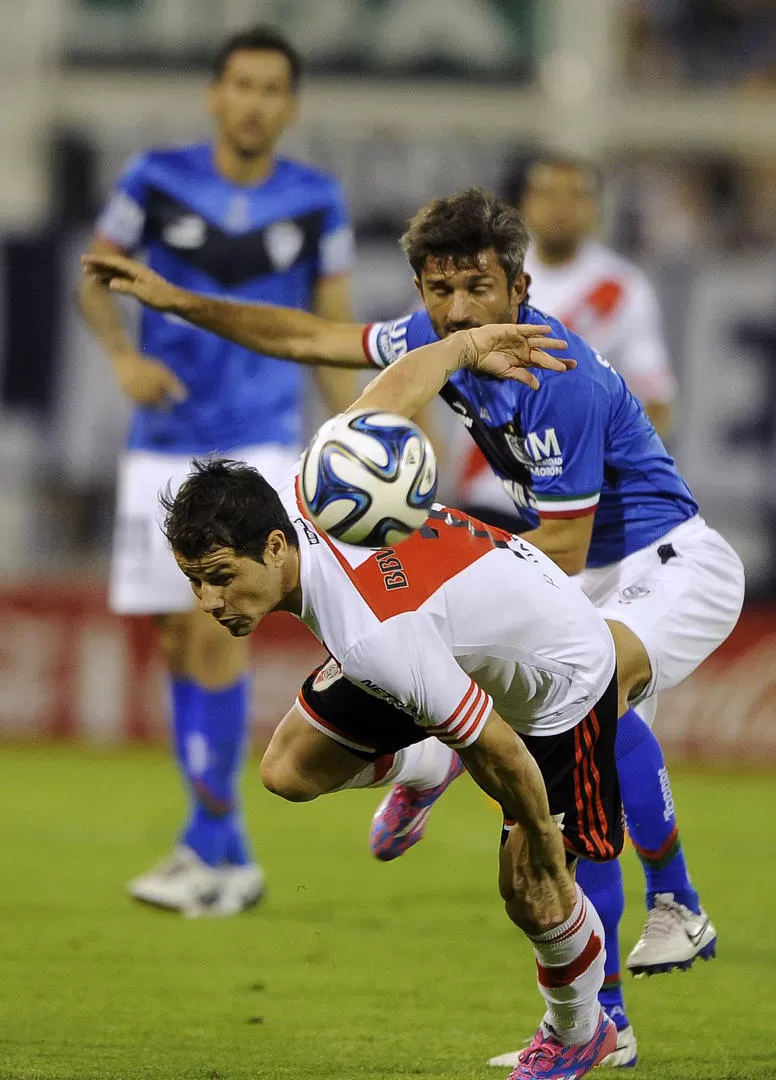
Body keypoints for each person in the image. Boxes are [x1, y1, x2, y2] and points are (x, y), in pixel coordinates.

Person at [82, 188, 745, 1068]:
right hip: (544, 576)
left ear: (520, 284)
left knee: (594, 697)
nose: (457, 308)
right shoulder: (445, 345)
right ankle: (434, 756)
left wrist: (415, 539)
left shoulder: (561, 380)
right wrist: (180, 303)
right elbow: (307, 339)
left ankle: (672, 908)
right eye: (440, 291)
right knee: (457, 699)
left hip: (664, 563)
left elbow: (563, 544)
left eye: (476, 288)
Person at [161, 311, 626, 1079]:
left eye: (220, 578)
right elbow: (393, 391)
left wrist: (541, 836)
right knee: (289, 771)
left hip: (556, 680)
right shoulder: (317, 481)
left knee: (530, 889)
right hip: (447, 637)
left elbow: (500, 748)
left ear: (275, 547)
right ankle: (424, 761)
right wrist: (467, 347)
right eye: (196, 582)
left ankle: (579, 1033)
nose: (210, 602)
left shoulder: (375, 637)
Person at [78, 25, 357, 916]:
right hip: (159, 440)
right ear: (214, 94)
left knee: (213, 630)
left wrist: (355, 422)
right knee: (171, 637)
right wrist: (120, 356)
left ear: (290, 105)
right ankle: (212, 844)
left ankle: (221, 847)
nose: (254, 102)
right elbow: (96, 277)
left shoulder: (318, 200)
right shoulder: (155, 180)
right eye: (241, 84)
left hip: (259, 443)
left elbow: (328, 327)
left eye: (272, 88)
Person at [458, 154, 678, 530]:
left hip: (576, 499)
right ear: (524, 203)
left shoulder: (621, 289)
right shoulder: (484, 278)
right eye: (547, 193)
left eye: (575, 195)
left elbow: (655, 400)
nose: (560, 207)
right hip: (487, 489)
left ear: (595, 209)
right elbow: (416, 357)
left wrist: (613, 471)